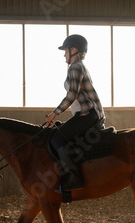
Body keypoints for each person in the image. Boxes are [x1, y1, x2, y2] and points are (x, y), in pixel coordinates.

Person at [45, 34, 105, 192]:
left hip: (87, 114)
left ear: (74, 50)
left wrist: (54, 113)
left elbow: (71, 95)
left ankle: (74, 177)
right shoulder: (78, 67)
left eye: (65, 51)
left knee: (57, 139)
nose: (64, 55)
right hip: (86, 114)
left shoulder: (75, 67)